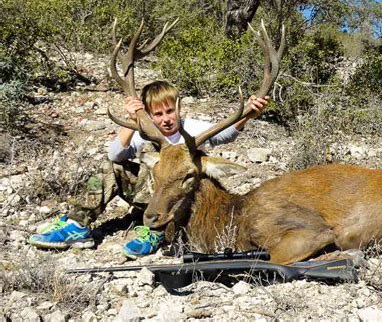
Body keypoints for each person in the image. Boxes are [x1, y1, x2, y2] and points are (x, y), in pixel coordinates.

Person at [29, 80, 269, 259]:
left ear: (178, 110)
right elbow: (114, 155)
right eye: (158, 114)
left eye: (169, 111)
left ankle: (156, 233)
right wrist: (134, 121)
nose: (165, 119)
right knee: (117, 166)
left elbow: (225, 134)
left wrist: (248, 113)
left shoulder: (192, 129)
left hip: (180, 205)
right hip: (150, 199)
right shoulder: (145, 132)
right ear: (150, 115)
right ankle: (77, 224)